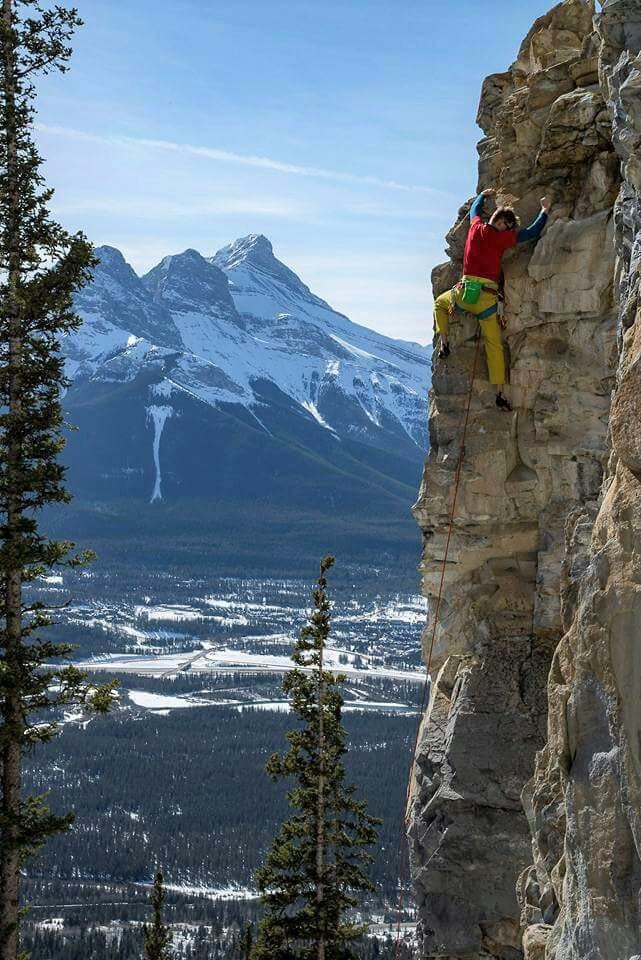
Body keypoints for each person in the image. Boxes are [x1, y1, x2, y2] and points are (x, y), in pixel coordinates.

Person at [434, 188, 552, 410]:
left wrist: (483, 195)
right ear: (504, 225)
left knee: (440, 304)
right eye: (507, 226)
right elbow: (532, 232)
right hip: (486, 300)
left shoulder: (476, 227)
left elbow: (475, 210)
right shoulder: (503, 239)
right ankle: (500, 393)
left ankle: (445, 343)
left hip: (463, 294)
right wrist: (544, 210)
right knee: (494, 346)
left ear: (493, 218)